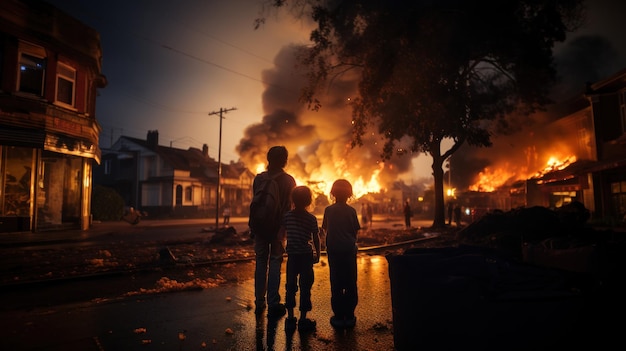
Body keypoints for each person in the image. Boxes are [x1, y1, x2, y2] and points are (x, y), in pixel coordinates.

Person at [251, 146, 296, 318]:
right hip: (278, 227)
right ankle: (273, 302)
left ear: (268, 159)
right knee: (275, 262)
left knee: (261, 262)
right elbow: (288, 208)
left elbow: (255, 204)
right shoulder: (289, 181)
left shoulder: (258, 179)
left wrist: (253, 227)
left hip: (260, 228)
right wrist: (283, 230)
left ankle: (259, 301)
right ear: (285, 160)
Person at [322, 179, 360, 329]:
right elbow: (355, 230)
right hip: (349, 251)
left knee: (336, 282)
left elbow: (325, 229)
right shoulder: (351, 211)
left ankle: (338, 316)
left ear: (333, 193)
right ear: (349, 194)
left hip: (334, 251)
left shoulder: (328, 210)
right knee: (351, 281)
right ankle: (350, 315)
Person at [283, 186, 321, 333]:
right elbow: (315, 238)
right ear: (309, 201)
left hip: (292, 258)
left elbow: (282, 235)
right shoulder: (311, 219)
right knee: (305, 288)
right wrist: (318, 253)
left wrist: (282, 248)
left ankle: (290, 319)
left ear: (293, 200)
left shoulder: (287, 217)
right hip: (306, 257)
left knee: (290, 287)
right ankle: (303, 319)